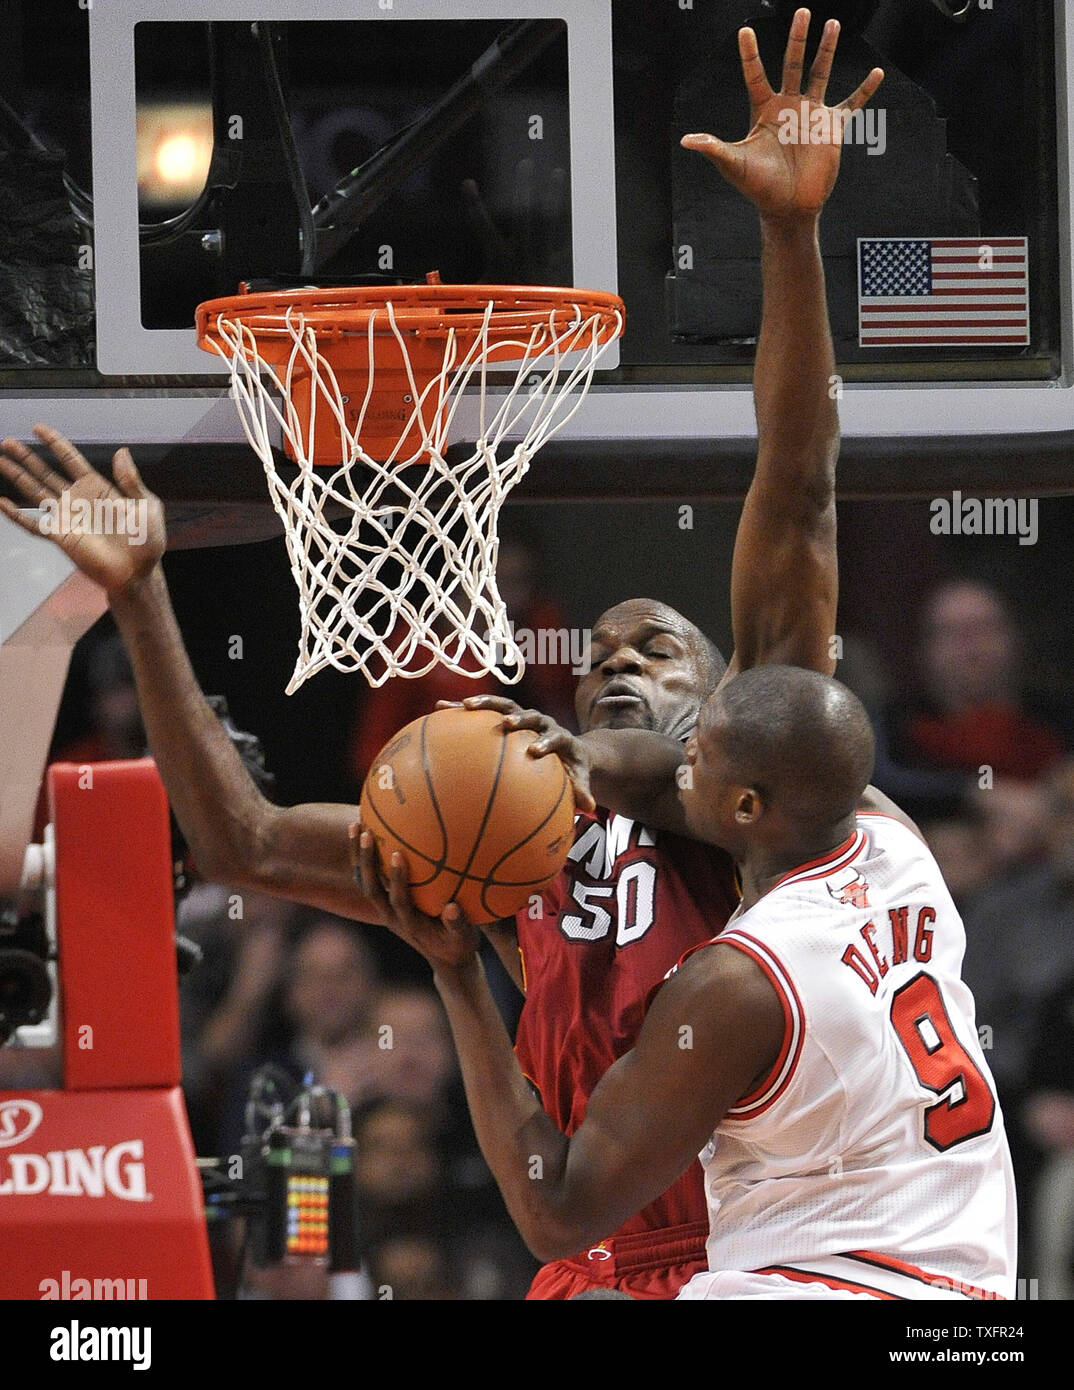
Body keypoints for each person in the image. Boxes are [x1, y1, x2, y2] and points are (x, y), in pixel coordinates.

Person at [0, 9, 880, 1298]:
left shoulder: (755, 814)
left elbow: (796, 487)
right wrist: (137, 597)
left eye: (659, 650)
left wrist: (792, 238)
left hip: (753, 1245)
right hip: (589, 1250)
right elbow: (241, 842)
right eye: (600, 658)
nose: (619, 663)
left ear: (729, 703)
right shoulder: (504, 832)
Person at [358, 664, 1015, 1300]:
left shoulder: (740, 978)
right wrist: (580, 758)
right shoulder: (897, 848)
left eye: (695, 756)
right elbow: (660, 782)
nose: (678, 763)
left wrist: (455, 971)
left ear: (748, 806)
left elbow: (555, 1215)